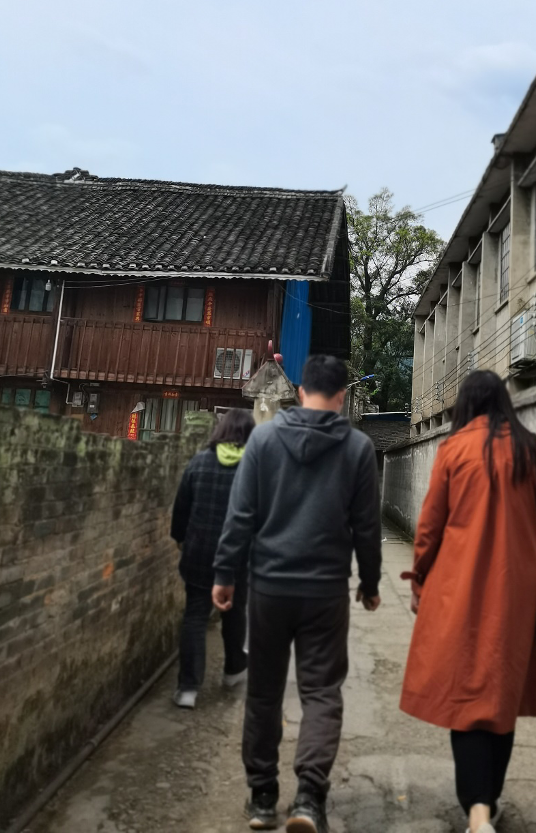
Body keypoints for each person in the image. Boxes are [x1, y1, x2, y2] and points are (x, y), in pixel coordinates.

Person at [212, 355, 382, 833]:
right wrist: (370, 585)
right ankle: (308, 797)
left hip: (268, 587)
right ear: (342, 397)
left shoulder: (264, 440)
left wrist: (225, 574)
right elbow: (367, 527)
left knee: (264, 692)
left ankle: (263, 798)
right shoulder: (358, 449)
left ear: (301, 391)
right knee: (322, 692)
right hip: (325, 592)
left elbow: (241, 514)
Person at [399, 370, 536, 833]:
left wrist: (419, 580)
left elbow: (429, 527)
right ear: (503, 402)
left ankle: (477, 811)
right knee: (501, 695)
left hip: (459, 591)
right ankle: (487, 804)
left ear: (465, 405)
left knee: (467, 694)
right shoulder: (531, 448)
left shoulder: (453, 449)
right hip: (516, 595)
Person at [170, 406, 255, 709]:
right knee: (234, 611)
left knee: (195, 615)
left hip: (198, 553)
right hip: (237, 560)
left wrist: (180, 539)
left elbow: (181, 508)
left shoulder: (199, 462)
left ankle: (188, 689)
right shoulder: (254, 469)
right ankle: (233, 670)